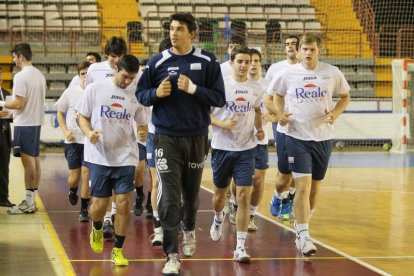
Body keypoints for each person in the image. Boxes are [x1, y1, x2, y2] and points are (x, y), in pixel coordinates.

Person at [136, 12, 225, 276]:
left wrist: (194, 89)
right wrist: (155, 94)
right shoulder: (157, 61)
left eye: (180, 29)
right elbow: (141, 94)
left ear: (192, 33)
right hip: (165, 138)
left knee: (191, 196)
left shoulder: (208, 61)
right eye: (172, 29)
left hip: (197, 136)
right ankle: (171, 254)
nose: (174, 33)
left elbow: (219, 99)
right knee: (169, 196)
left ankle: (189, 229)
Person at [268, 33, 350, 256]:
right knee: (301, 187)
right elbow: (276, 95)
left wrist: (335, 113)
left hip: (323, 138)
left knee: (315, 188)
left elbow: (345, 96)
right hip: (296, 136)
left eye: (311, 49)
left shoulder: (331, 72)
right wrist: (280, 113)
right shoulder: (288, 73)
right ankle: (304, 235)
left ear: (319, 50)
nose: (307, 53)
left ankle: (302, 224)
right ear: (299, 50)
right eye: (304, 49)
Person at [76, 55, 149, 266]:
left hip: (126, 156)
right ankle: (97, 226)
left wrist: (142, 133)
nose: (128, 82)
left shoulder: (136, 93)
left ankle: (118, 249)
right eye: (125, 76)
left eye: (132, 78)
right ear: (116, 68)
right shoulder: (95, 89)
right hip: (99, 156)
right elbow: (81, 116)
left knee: (124, 204)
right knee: (98, 206)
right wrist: (88, 132)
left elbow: (142, 123)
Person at [209, 46, 264, 263]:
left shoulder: (256, 88)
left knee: (242, 196)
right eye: (239, 61)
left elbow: (258, 109)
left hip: (246, 149)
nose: (244, 65)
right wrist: (223, 123)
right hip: (222, 148)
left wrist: (259, 129)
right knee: (219, 197)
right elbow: (205, 114)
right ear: (232, 62)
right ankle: (217, 217)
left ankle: (240, 247)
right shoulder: (219, 86)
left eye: (248, 61)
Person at [0, 43, 46, 215]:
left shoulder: (21, 77)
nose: (13, 60)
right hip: (35, 122)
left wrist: (2, 103)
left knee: (28, 164)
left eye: (14, 57)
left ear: (20, 57)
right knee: (34, 161)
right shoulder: (39, 75)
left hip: (24, 124)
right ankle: (32, 201)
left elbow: (18, 104)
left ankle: (27, 201)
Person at [264, 35, 300, 220]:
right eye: (287, 44)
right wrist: (277, 115)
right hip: (282, 125)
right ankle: (278, 196)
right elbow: (267, 97)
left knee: (299, 169)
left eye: (293, 44)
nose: (290, 47)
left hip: (303, 128)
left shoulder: (309, 70)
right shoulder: (276, 69)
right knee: (284, 169)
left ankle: (288, 202)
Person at [56, 61, 91, 222]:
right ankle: (72, 189)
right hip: (72, 141)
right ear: (78, 76)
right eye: (82, 73)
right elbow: (59, 112)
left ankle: (84, 209)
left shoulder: (95, 93)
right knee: (74, 177)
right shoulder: (71, 92)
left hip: (88, 141)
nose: (85, 76)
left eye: (88, 73)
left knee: (86, 174)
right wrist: (65, 131)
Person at [147, 36, 173, 246]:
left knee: (176, 184)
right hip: (154, 135)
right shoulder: (150, 74)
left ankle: (174, 222)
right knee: (156, 181)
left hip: (176, 136)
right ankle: (158, 227)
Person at [0, 67, 14, 207]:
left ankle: (3, 198)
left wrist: (13, 115)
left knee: (4, 168)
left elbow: (10, 116)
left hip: (4, 136)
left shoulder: (6, 93)